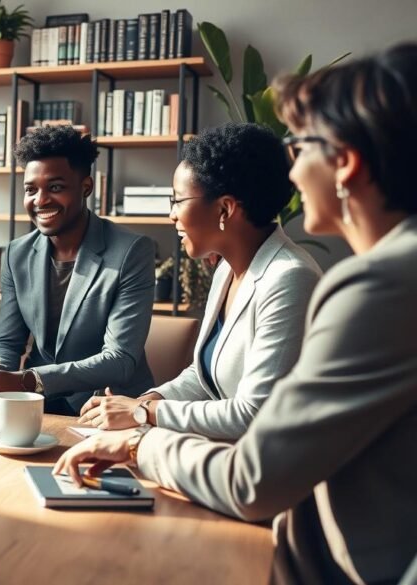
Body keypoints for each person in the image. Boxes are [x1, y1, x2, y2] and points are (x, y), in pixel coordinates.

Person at [54, 43, 417, 584]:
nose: (292, 173)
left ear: (347, 164)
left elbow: (254, 478)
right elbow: (205, 377)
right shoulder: (235, 269)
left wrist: (139, 436)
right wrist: (147, 403)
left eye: (305, 146)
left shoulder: (375, 285)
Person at [77, 123, 322, 439]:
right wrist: (147, 401)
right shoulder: (226, 269)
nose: (172, 215)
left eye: (178, 200)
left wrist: (144, 413)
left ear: (225, 208)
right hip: (216, 453)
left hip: (262, 474)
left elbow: (255, 414)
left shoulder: (290, 278)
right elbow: (204, 377)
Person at [0, 125, 155, 415]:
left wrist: (27, 380)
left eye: (56, 187)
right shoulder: (17, 253)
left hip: (109, 408)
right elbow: (6, 340)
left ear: (86, 187)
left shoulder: (131, 251)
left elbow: (120, 359)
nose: (40, 200)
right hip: (37, 405)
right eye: (30, 189)